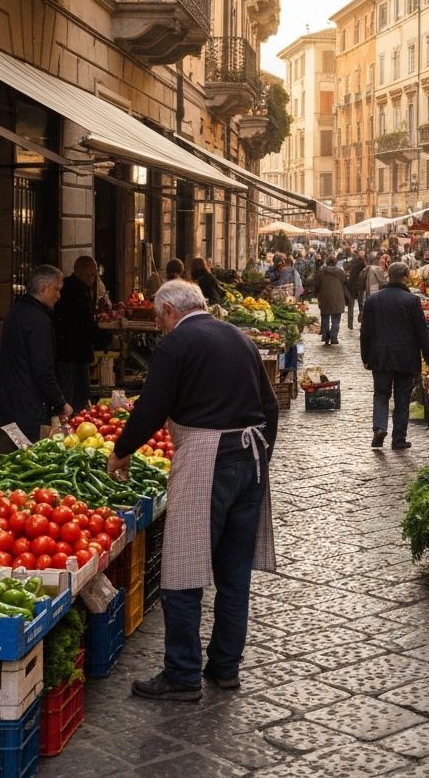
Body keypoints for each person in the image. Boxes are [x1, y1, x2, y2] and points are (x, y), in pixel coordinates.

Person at [107, 280, 278, 701]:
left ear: (169, 311)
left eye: (156, 316)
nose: (158, 326)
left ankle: (182, 674)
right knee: (234, 574)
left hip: (206, 455)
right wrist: (261, 457)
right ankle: (224, 667)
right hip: (251, 456)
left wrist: (123, 450)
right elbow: (270, 405)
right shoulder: (238, 336)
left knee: (182, 568)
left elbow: (151, 406)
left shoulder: (176, 345)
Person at [360, 262, 429, 450]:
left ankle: (379, 427)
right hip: (406, 357)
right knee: (402, 398)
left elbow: (365, 332)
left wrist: (365, 356)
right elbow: (421, 333)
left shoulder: (373, 300)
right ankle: (399, 439)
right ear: (405, 277)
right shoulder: (411, 301)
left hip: (380, 356)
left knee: (381, 395)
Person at [0, 265, 72, 441]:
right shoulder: (37, 320)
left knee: (18, 452)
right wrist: (61, 403)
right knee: (31, 452)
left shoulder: (17, 311)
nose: (59, 296)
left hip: (10, 399)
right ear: (44, 288)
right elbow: (43, 369)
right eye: (57, 290)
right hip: (28, 403)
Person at [54, 256, 113, 412]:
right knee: (73, 394)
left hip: (75, 352)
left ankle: (76, 421)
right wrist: (105, 338)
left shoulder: (78, 288)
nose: (93, 279)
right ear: (79, 272)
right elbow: (84, 323)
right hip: (71, 353)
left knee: (78, 393)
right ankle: (69, 425)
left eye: (95, 275)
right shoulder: (75, 291)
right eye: (90, 275)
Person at [315, 256, 349, 345]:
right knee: (336, 319)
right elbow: (345, 282)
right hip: (338, 297)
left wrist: (316, 293)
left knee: (325, 317)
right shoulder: (340, 272)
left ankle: (325, 336)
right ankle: (334, 337)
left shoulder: (322, 272)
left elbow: (317, 284)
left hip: (325, 297)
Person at [345, 250, 367, 329]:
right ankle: (360, 322)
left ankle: (351, 325)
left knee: (353, 306)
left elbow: (345, 267)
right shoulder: (363, 263)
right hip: (357, 286)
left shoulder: (354, 261)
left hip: (353, 286)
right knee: (360, 305)